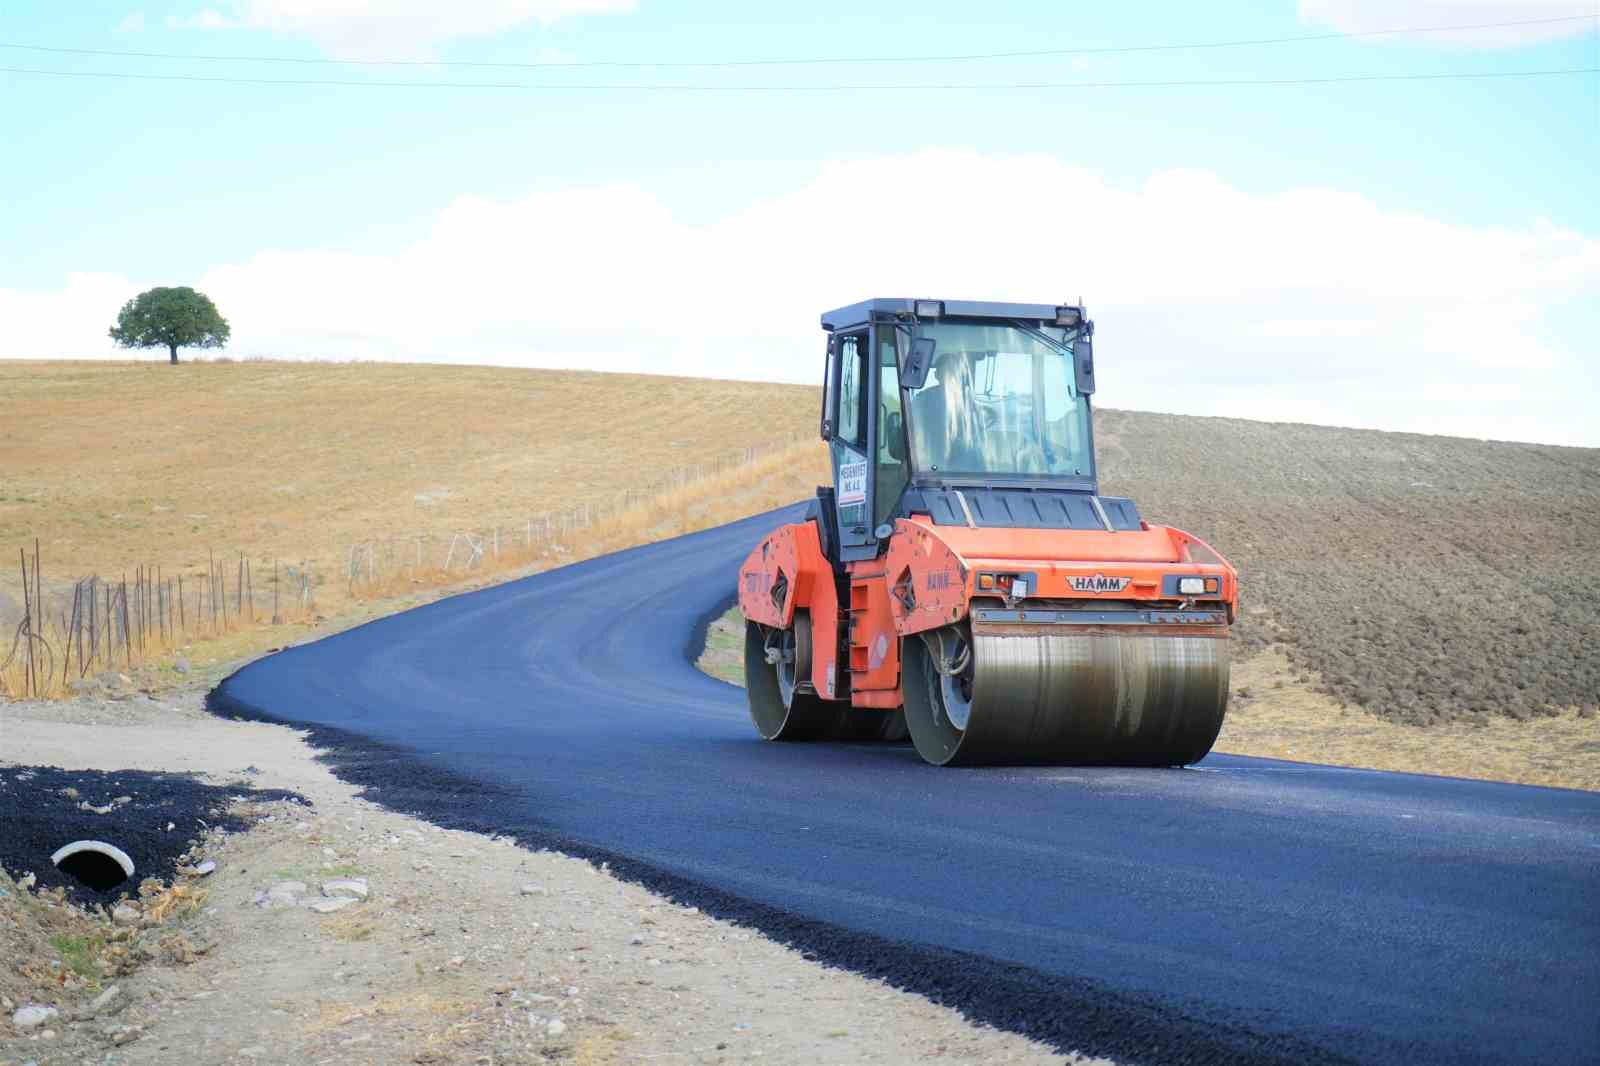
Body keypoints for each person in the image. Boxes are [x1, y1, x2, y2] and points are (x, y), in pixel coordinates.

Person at [912, 349, 987, 472]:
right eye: (947, 370)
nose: (950, 374)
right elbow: (913, 434)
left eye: (952, 370)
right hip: (932, 471)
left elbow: (979, 440)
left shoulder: (971, 403)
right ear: (937, 375)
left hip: (954, 472)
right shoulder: (922, 400)